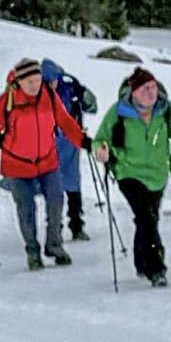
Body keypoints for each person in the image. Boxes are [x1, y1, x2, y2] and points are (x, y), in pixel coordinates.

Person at [93, 67, 171, 287]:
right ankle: (156, 268)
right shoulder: (118, 112)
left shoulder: (167, 109)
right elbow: (100, 139)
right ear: (133, 93)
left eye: (152, 87)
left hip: (158, 174)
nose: (151, 93)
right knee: (146, 217)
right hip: (128, 172)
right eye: (145, 89)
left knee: (148, 219)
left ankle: (141, 262)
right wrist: (101, 151)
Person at [0, 58, 82, 271]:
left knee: (56, 201)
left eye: (37, 80)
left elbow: (66, 122)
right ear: (19, 82)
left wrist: (84, 142)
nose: (35, 85)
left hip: (47, 162)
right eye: (30, 82)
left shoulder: (49, 96)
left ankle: (54, 245)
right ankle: (32, 251)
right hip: (17, 166)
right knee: (27, 210)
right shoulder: (7, 101)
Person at [41, 59, 97, 244]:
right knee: (63, 186)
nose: (51, 84)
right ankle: (67, 226)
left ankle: (67, 226)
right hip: (56, 145)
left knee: (65, 186)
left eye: (53, 80)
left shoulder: (70, 88)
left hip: (63, 144)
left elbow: (91, 106)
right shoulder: (69, 87)